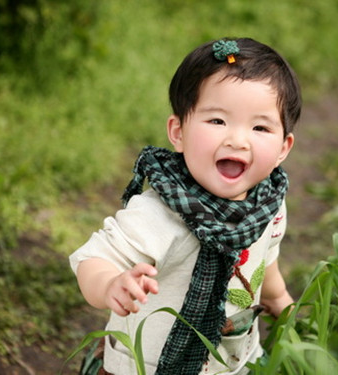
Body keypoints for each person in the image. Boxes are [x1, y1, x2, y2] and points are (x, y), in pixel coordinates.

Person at [69, 36, 302, 375]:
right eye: (217, 121)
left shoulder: (268, 204)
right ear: (178, 131)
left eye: (260, 127)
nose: (237, 139)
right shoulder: (160, 214)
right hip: (147, 367)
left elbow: (267, 260)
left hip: (230, 361)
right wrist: (109, 284)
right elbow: (94, 258)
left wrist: (280, 301)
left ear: (284, 146)